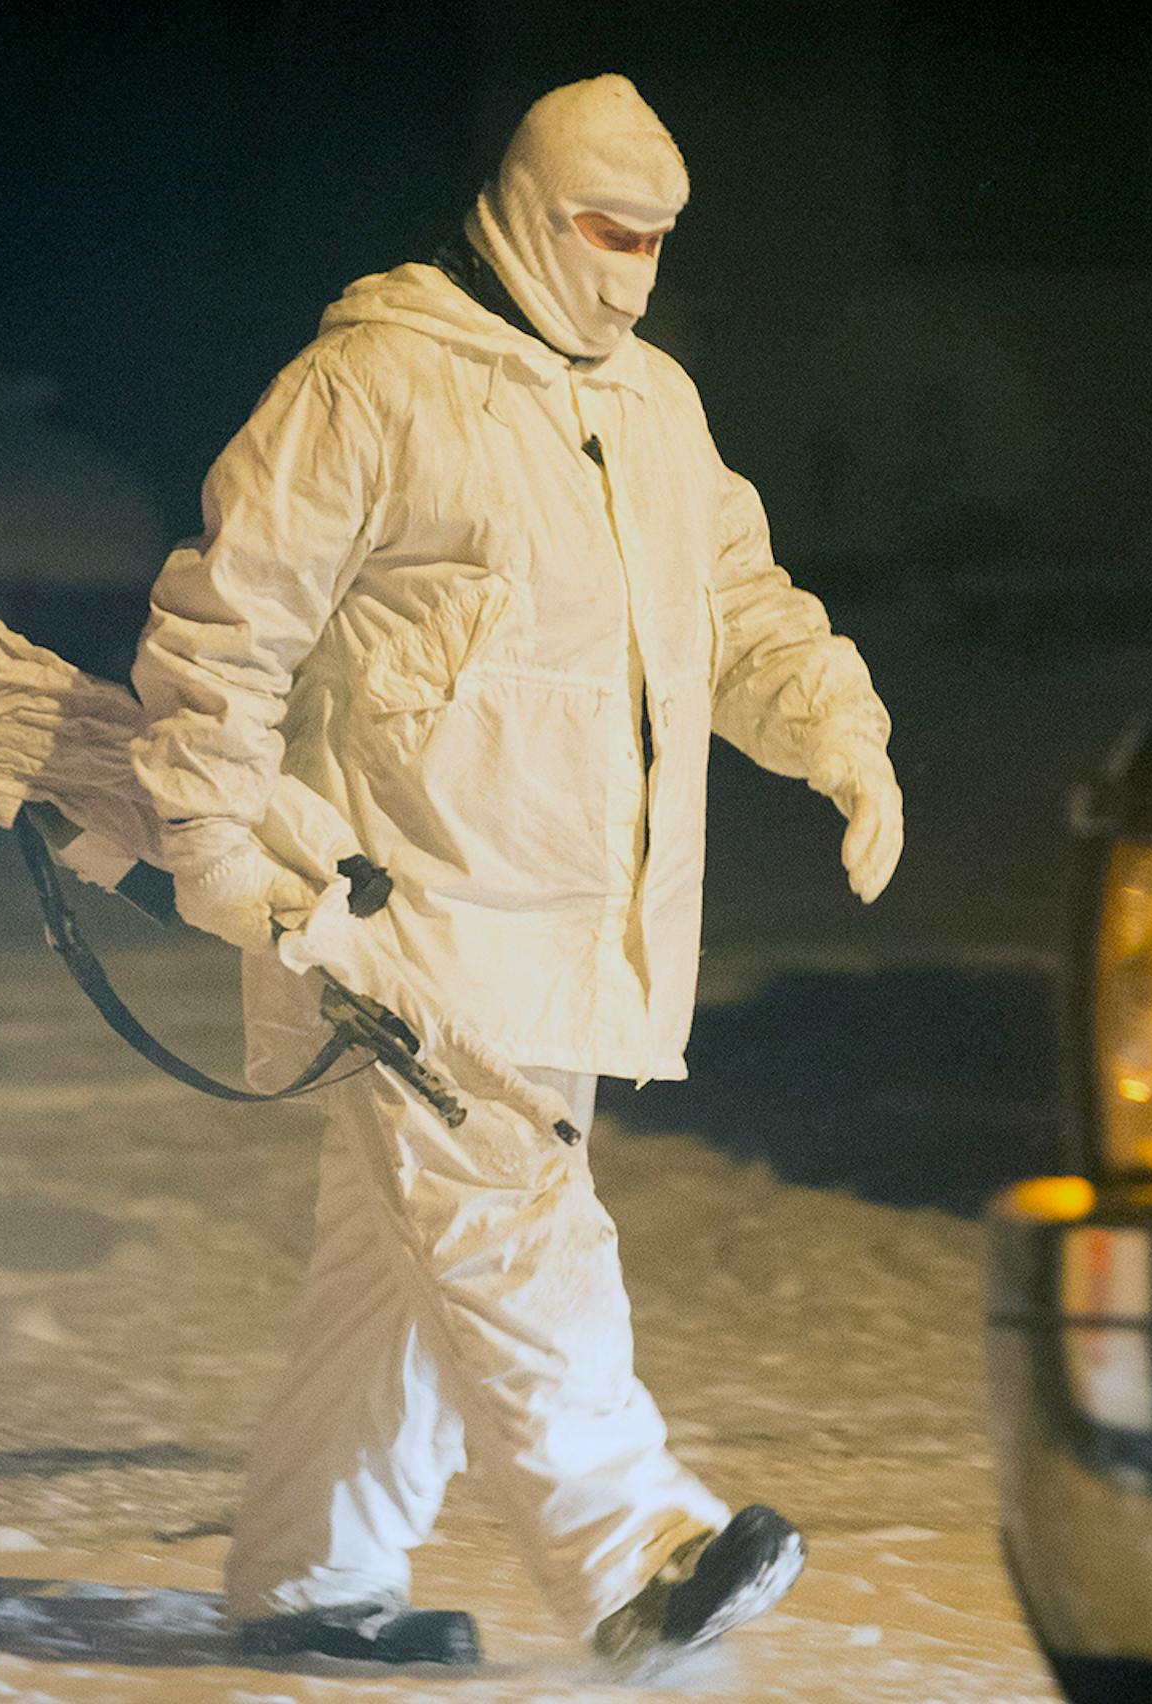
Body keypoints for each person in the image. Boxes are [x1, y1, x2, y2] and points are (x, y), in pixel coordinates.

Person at [129, 73, 904, 1668]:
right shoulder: (373, 386)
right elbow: (233, 615)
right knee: (511, 1229)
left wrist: (840, 728)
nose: (633, 269)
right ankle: (640, 1557)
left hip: (573, 929)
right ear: (531, 213)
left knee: (399, 1270)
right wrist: (213, 836)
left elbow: (734, 605)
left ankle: (309, 1586)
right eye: (609, 233)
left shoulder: (657, 408)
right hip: (394, 912)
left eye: (661, 243)